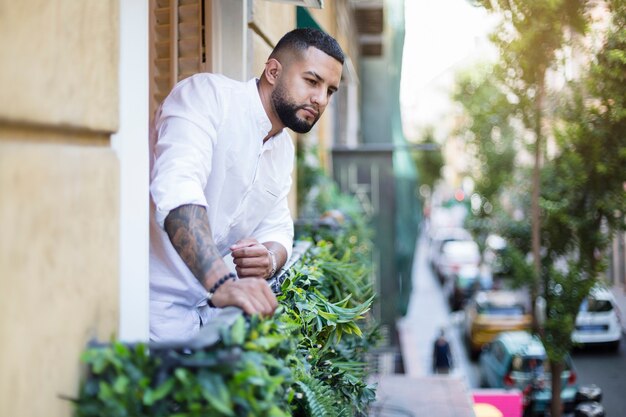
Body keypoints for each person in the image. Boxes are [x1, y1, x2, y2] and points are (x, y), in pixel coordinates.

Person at [149, 28, 345, 341]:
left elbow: (278, 229)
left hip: (216, 321)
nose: (320, 99)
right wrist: (223, 283)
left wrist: (268, 259)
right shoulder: (206, 97)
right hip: (149, 314)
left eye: (330, 91)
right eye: (312, 81)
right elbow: (177, 196)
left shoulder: (283, 149)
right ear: (273, 71)